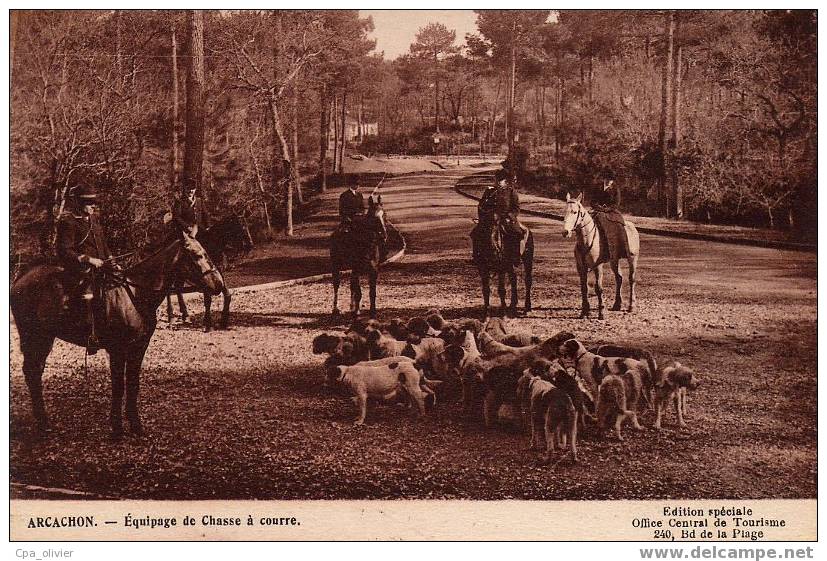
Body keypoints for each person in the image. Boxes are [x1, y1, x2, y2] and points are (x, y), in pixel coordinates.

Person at [56, 184, 116, 353]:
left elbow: (102, 244)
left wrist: (110, 259)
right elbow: (64, 250)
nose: (93, 206)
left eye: (95, 203)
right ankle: (90, 334)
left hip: (100, 267)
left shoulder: (94, 220)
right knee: (89, 294)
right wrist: (89, 260)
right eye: (90, 203)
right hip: (79, 269)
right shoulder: (68, 222)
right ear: (80, 204)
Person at [471, 168, 523, 265]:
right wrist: (485, 216)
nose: (498, 182)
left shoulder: (511, 192)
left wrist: (509, 216)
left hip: (506, 219)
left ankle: (515, 257)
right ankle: (477, 256)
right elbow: (481, 206)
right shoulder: (489, 191)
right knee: (476, 233)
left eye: (501, 180)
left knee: (516, 233)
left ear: (506, 182)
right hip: (490, 219)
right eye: (497, 180)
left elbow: (516, 208)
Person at [591, 168, 629, 261]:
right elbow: (592, 201)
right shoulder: (598, 187)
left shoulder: (616, 189)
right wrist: (599, 208)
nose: (609, 182)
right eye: (607, 179)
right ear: (604, 179)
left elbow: (616, 204)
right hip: (597, 210)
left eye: (611, 180)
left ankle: (621, 249)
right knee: (584, 223)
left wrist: (607, 209)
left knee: (619, 225)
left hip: (611, 212)